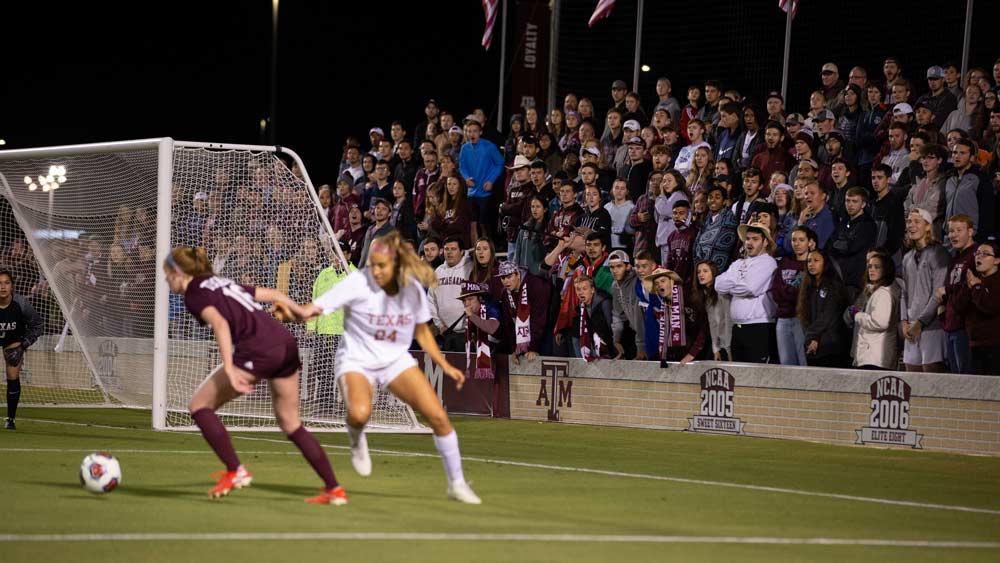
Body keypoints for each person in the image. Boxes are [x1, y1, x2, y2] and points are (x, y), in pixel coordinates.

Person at [299, 231, 482, 504]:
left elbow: (422, 331)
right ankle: (356, 436)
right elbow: (316, 307)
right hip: (358, 358)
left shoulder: (409, 287)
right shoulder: (356, 282)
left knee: (438, 417)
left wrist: (445, 364)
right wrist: (291, 310)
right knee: (360, 414)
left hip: (395, 360)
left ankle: (456, 483)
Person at [162, 247, 346, 503]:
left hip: (258, 350)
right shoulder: (222, 282)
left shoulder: (194, 294)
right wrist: (302, 312)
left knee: (199, 406)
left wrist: (228, 367)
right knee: (291, 423)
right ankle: (334, 489)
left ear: (178, 273)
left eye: (167, 274)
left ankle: (235, 470)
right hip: (285, 342)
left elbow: (221, 324)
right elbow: (273, 294)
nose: (165, 280)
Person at [715, 222, 778, 363]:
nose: (749, 243)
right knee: (739, 375)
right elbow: (718, 284)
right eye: (748, 239)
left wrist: (732, 285)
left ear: (765, 242)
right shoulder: (737, 263)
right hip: (737, 328)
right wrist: (739, 283)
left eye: (755, 239)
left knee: (758, 374)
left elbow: (750, 288)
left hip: (759, 327)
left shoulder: (768, 263)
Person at [900, 208, 950, 372]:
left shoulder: (939, 253)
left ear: (928, 227)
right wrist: (904, 322)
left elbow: (938, 293)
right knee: (912, 376)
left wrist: (920, 323)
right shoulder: (907, 257)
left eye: (916, 221)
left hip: (932, 327)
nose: (911, 225)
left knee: (931, 375)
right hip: (911, 326)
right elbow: (904, 292)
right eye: (909, 222)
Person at [0, 269, 43, 430]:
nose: (2, 287)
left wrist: (23, 345)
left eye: (6, 283)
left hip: (13, 341)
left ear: (12, 286)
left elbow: (38, 325)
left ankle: (10, 418)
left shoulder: (21, 304)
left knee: (12, 375)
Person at [936, 215, 978, 374]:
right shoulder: (955, 257)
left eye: (959, 230)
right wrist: (943, 309)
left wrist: (947, 291)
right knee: (956, 380)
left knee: (966, 379)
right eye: (951, 231)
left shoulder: (976, 254)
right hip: (951, 325)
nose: (953, 235)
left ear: (971, 231)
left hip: (966, 327)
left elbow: (970, 284)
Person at [952, 240, 1000, 375]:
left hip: (995, 346)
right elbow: (957, 306)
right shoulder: (972, 279)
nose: (979, 257)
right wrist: (969, 287)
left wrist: (976, 287)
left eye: (985, 254)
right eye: (977, 253)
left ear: (996, 260)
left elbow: (990, 306)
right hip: (973, 344)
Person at [770, 227, 815, 366]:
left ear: (810, 242)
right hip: (783, 319)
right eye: (794, 240)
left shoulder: (812, 265)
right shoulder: (784, 263)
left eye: (801, 240)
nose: (797, 243)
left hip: (801, 319)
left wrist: (788, 291)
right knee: (786, 364)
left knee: (804, 363)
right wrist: (792, 291)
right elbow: (776, 292)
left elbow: (804, 294)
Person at [849, 252, 900, 370]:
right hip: (872, 355)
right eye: (870, 267)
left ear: (886, 270)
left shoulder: (883, 294)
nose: (871, 270)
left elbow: (880, 322)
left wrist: (858, 315)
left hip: (876, 357)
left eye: (877, 267)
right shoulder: (876, 291)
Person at [798, 250, 849, 367]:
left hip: (831, 346)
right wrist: (812, 339)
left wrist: (812, 337)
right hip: (812, 345)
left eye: (816, 260)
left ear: (825, 263)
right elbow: (804, 316)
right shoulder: (808, 287)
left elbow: (828, 317)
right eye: (809, 261)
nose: (811, 264)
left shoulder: (834, 286)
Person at [498, 261, 548, 364]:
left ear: (517, 274)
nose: (506, 281)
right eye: (503, 278)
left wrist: (534, 348)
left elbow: (538, 318)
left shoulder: (535, 285)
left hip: (545, 334)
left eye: (509, 276)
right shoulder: (505, 293)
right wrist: (514, 349)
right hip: (524, 338)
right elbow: (509, 324)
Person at [428, 235, 471, 352]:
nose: (449, 252)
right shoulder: (438, 271)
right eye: (447, 249)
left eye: (453, 249)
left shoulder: (470, 268)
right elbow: (431, 300)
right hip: (445, 332)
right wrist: (440, 325)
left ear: (462, 252)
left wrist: (471, 325)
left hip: (466, 333)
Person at [457, 281, 501, 379]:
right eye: (464, 300)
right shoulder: (471, 315)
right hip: (491, 350)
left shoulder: (492, 307)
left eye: (470, 299)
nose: (467, 303)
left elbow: (491, 328)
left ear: (480, 299)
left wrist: (472, 316)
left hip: (506, 348)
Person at [690, 260, 731, 361]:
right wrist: (715, 349)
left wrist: (728, 349)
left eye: (705, 271)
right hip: (719, 343)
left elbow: (727, 321)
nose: (701, 274)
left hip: (730, 342)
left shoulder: (721, 292)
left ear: (714, 272)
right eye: (698, 272)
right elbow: (713, 324)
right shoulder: (705, 295)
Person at [609, 250, 645, 360]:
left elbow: (640, 318)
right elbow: (617, 315)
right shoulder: (615, 286)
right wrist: (616, 339)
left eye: (619, 266)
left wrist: (641, 347)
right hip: (636, 334)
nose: (615, 271)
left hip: (651, 334)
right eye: (612, 267)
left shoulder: (637, 282)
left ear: (628, 266)